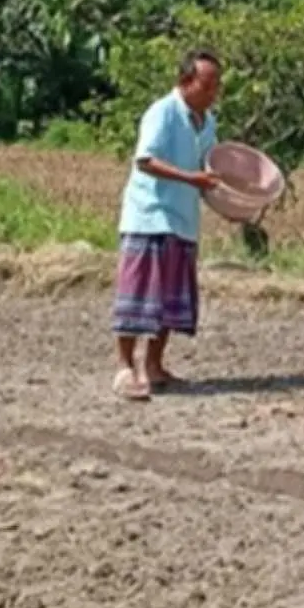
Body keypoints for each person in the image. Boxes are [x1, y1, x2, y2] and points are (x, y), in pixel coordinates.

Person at [111, 49, 222, 401]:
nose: (213, 92)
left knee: (170, 298)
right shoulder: (162, 112)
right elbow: (145, 160)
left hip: (182, 218)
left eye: (216, 85)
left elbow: (210, 166)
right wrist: (190, 178)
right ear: (186, 82)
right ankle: (125, 367)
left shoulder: (207, 122)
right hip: (150, 214)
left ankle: (154, 365)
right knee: (138, 295)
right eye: (207, 85)